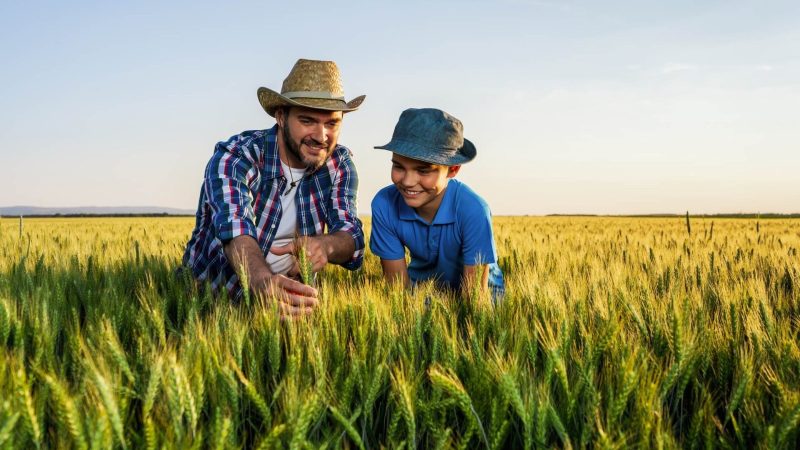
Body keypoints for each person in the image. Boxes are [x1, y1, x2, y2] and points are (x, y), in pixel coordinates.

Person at [183, 59, 366, 317]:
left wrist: (326, 246)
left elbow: (352, 236)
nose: (321, 135)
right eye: (308, 120)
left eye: (332, 123)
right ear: (281, 116)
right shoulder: (236, 157)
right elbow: (235, 229)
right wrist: (261, 280)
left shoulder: (340, 164)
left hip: (293, 310)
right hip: (212, 304)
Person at [369, 108, 505, 300]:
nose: (408, 181)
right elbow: (398, 292)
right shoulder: (384, 205)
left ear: (453, 170)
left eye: (423, 171)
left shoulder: (473, 210)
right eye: (398, 166)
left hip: (482, 296)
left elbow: (474, 299)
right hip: (423, 294)